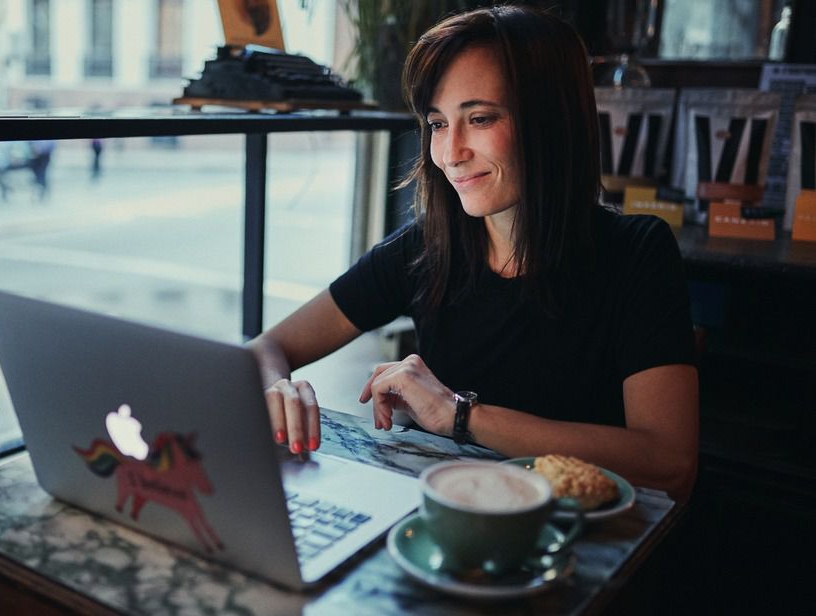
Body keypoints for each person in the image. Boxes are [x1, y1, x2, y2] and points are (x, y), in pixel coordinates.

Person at [248, 5, 699, 503]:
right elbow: (267, 349)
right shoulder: (427, 247)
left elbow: (669, 463)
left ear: (551, 121)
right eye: (439, 124)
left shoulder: (637, 254)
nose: (450, 151)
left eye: (480, 118)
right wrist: (277, 391)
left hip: (570, 543)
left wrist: (460, 415)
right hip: (449, 527)